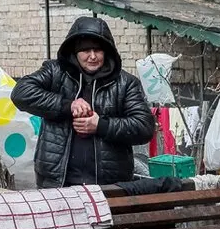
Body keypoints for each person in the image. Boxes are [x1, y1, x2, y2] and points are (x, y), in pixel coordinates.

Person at [11, 16, 154, 188]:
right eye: (86, 50)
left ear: (107, 51)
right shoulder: (55, 72)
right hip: (57, 181)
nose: (92, 56)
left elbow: (144, 127)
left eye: (98, 50)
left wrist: (101, 125)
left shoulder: (125, 83)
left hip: (109, 185)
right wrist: (67, 105)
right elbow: (21, 92)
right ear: (74, 52)